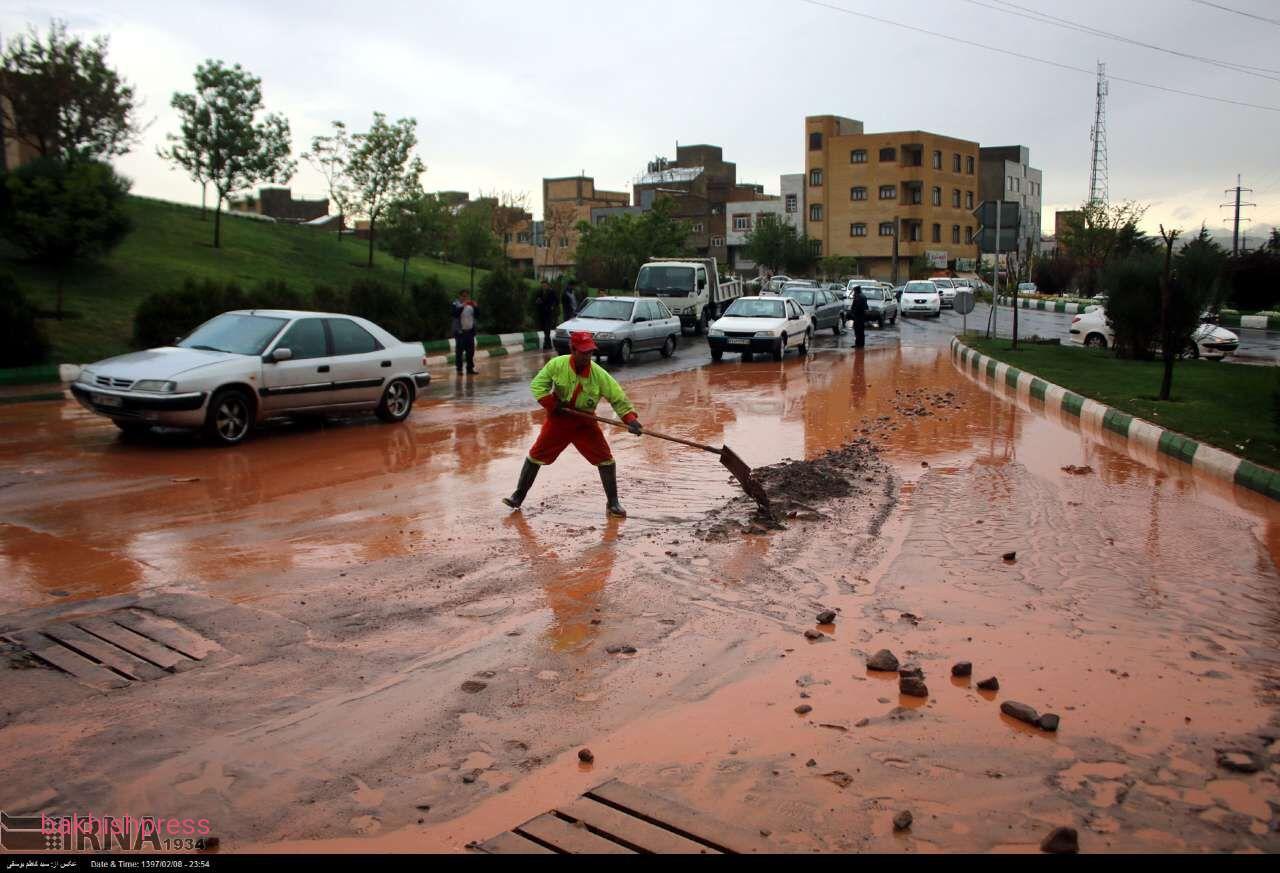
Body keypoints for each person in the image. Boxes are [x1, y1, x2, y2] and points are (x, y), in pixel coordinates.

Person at [502, 331, 643, 518]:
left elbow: (617, 397)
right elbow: (538, 385)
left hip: (585, 422)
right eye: (583, 352)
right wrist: (552, 405)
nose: (587, 356)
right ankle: (518, 496)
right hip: (559, 420)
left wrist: (630, 420)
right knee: (536, 456)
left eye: (589, 352)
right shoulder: (557, 365)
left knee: (605, 459)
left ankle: (613, 503)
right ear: (573, 350)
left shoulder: (599, 375)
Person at [452, 290, 479, 375]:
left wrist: (476, 307)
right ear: (460, 296)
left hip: (470, 332)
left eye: (466, 296)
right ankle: (459, 369)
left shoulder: (470, 306)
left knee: (470, 351)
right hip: (460, 332)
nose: (465, 298)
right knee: (459, 352)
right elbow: (455, 314)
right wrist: (463, 305)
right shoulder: (455, 304)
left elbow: (477, 315)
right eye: (463, 296)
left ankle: (470, 368)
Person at [536, 279, 557, 350]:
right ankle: (548, 344)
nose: (543, 287)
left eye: (545, 286)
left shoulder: (552, 292)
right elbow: (538, 300)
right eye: (542, 286)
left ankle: (546, 344)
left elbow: (556, 301)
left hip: (549, 313)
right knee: (544, 329)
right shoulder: (540, 292)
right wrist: (538, 302)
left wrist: (553, 306)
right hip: (542, 313)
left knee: (547, 328)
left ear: (548, 285)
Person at [850, 284, 869, 349]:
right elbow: (866, 307)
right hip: (862, 316)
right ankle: (861, 344)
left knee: (858, 330)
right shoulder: (863, 296)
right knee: (861, 330)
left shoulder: (858, 297)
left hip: (858, 316)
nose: (854, 292)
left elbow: (856, 306)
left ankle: (858, 344)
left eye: (854, 290)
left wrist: (853, 312)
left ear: (856, 290)